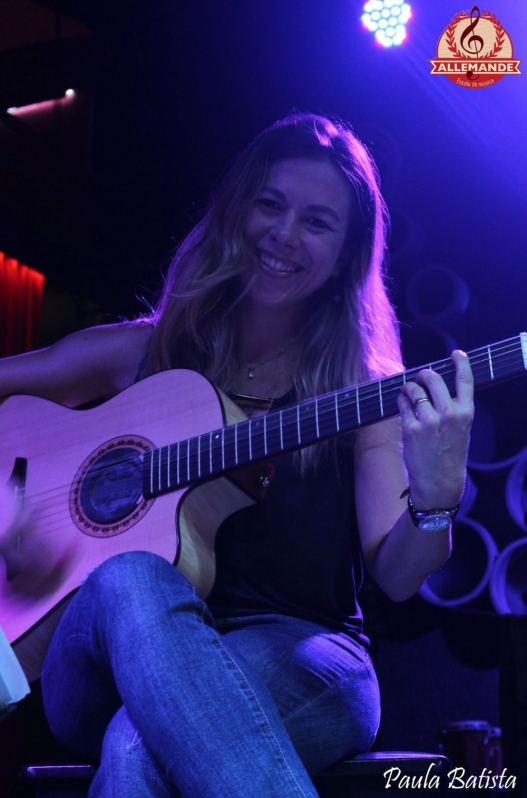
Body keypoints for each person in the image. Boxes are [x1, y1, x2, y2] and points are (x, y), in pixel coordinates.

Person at [0, 113, 473, 797]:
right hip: (97, 663)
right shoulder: (144, 354)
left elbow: (397, 577)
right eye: (269, 204)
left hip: (305, 656)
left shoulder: (363, 390)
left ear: (345, 253)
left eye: (316, 222)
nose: (283, 236)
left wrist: (433, 501)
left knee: (134, 750)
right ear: (235, 211)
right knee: (127, 577)